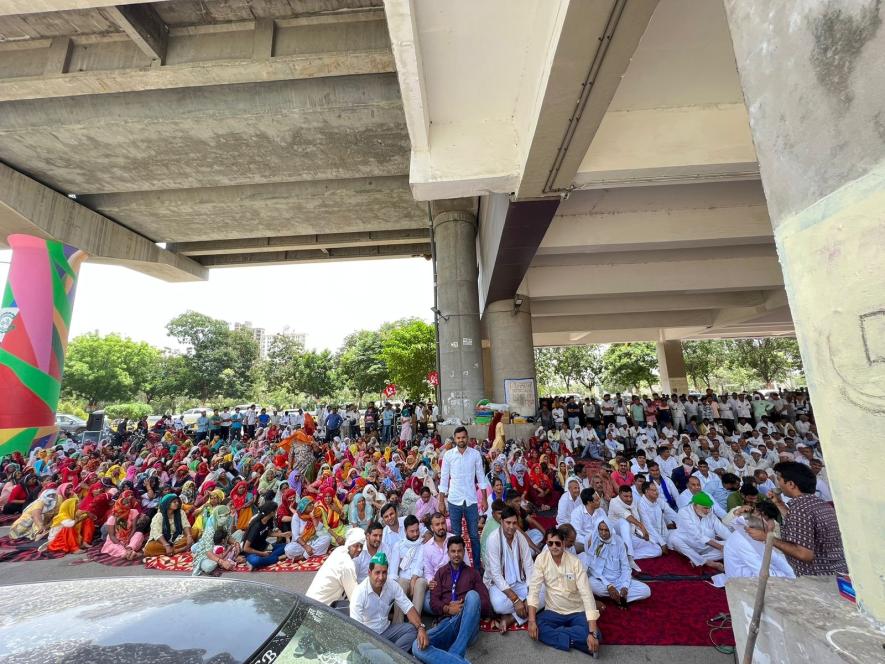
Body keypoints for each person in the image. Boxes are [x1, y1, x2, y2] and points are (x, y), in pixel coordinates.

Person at [749, 461, 848, 576]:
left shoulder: (800, 509)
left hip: (820, 578)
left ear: (791, 484)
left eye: (779, 479)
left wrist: (767, 537)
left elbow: (804, 554)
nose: (778, 484)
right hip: (835, 573)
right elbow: (799, 525)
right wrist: (779, 503)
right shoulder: (819, 504)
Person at [416, 537, 492, 663]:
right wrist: (448, 608)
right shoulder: (440, 573)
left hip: (467, 626)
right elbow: (433, 603)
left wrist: (466, 607)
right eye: (453, 551)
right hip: (447, 624)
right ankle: (456, 660)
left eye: (459, 551)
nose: (456, 554)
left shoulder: (473, 573)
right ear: (448, 553)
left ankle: (456, 651)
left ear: (464, 552)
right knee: (417, 645)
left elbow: (485, 601)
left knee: (473, 596)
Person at [527, 527, 601, 657]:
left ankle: (565, 637)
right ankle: (577, 642)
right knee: (536, 625)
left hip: (576, 611)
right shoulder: (541, 560)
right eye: (550, 543)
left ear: (564, 543)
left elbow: (587, 595)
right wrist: (531, 622)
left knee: (597, 634)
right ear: (547, 543)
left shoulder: (575, 563)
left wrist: (592, 633)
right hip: (553, 611)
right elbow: (534, 590)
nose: (554, 547)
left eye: (557, 543)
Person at [350, 552, 428, 654]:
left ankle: (390, 656)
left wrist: (421, 628)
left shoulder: (392, 585)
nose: (381, 577)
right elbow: (355, 629)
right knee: (362, 650)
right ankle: (392, 656)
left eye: (384, 572)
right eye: (377, 573)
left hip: (387, 631)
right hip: (368, 636)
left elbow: (408, 607)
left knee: (412, 629)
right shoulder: (359, 593)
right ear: (369, 572)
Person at [438, 426, 487, 570]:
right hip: (454, 500)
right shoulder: (448, 455)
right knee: (456, 536)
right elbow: (444, 479)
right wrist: (441, 501)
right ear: (454, 439)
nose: (461, 440)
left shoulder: (475, 455)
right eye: (458, 438)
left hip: (471, 500)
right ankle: (457, 567)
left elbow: (481, 477)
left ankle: (477, 568)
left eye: (463, 437)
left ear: (467, 437)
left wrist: (483, 499)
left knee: (473, 536)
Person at [484, 506, 536, 630]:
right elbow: (496, 575)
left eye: (514, 523)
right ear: (501, 522)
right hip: (499, 586)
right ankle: (528, 609)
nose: (511, 527)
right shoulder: (493, 539)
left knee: (545, 591)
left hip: (520, 582)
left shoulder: (521, 538)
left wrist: (530, 594)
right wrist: (516, 600)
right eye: (508, 523)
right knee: (498, 605)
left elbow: (529, 567)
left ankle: (513, 617)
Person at [587, 516, 651, 605]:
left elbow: (626, 567)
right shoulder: (593, 541)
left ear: (610, 529)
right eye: (601, 530)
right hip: (602, 581)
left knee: (646, 590)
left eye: (606, 530)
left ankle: (616, 596)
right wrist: (608, 586)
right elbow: (592, 568)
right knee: (590, 583)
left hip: (619, 580)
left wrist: (625, 586)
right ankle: (619, 597)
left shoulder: (619, 542)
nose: (603, 533)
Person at [719, 513, 795, 585]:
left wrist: (792, 574)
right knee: (780, 573)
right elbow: (761, 572)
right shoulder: (742, 541)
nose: (764, 537)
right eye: (764, 533)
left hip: (753, 569)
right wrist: (787, 577)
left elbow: (775, 557)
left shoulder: (751, 535)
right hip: (740, 579)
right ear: (755, 531)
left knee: (786, 562)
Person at [669, 492, 730, 571]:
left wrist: (731, 541)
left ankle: (698, 559)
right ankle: (709, 562)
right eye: (705, 508)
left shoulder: (709, 512)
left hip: (708, 546)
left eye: (709, 508)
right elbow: (697, 535)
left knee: (730, 546)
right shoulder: (684, 512)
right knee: (674, 539)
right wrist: (720, 547)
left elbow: (722, 529)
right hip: (690, 544)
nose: (707, 511)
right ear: (695, 505)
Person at [306, 527, 366, 605]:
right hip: (319, 608)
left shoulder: (339, 550)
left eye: (361, 546)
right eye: (356, 546)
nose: (359, 549)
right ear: (349, 544)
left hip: (308, 601)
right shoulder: (347, 564)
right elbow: (354, 598)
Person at [607, 485, 661, 570]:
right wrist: (642, 526)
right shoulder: (614, 502)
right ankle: (630, 557)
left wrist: (643, 533)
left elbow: (638, 518)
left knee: (657, 549)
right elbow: (628, 517)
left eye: (630, 496)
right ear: (620, 495)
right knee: (624, 522)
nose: (629, 499)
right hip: (616, 536)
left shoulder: (634, 501)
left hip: (631, 536)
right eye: (626, 496)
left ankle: (625, 556)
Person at [393, 515, 427, 624]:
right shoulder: (398, 545)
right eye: (412, 531)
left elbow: (420, 565)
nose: (416, 534)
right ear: (405, 531)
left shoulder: (423, 544)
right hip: (404, 578)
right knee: (401, 582)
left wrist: (413, 580)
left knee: (420, 582)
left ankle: (415, 623)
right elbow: (393, 570)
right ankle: (397, 623)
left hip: (418, 578)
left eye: (417, 530)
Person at [242, 500, 287, 570]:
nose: (276, 512)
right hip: (252, 551)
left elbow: (267, 532)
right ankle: (277, 558)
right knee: (256, 561)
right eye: (276, 510)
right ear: (272, 512)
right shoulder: (256, 525)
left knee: (286, 546)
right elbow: (246, 548)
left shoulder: (269, 520)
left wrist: (282, 534)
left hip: (264, 547)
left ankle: (266, 558)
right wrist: (262, 553)